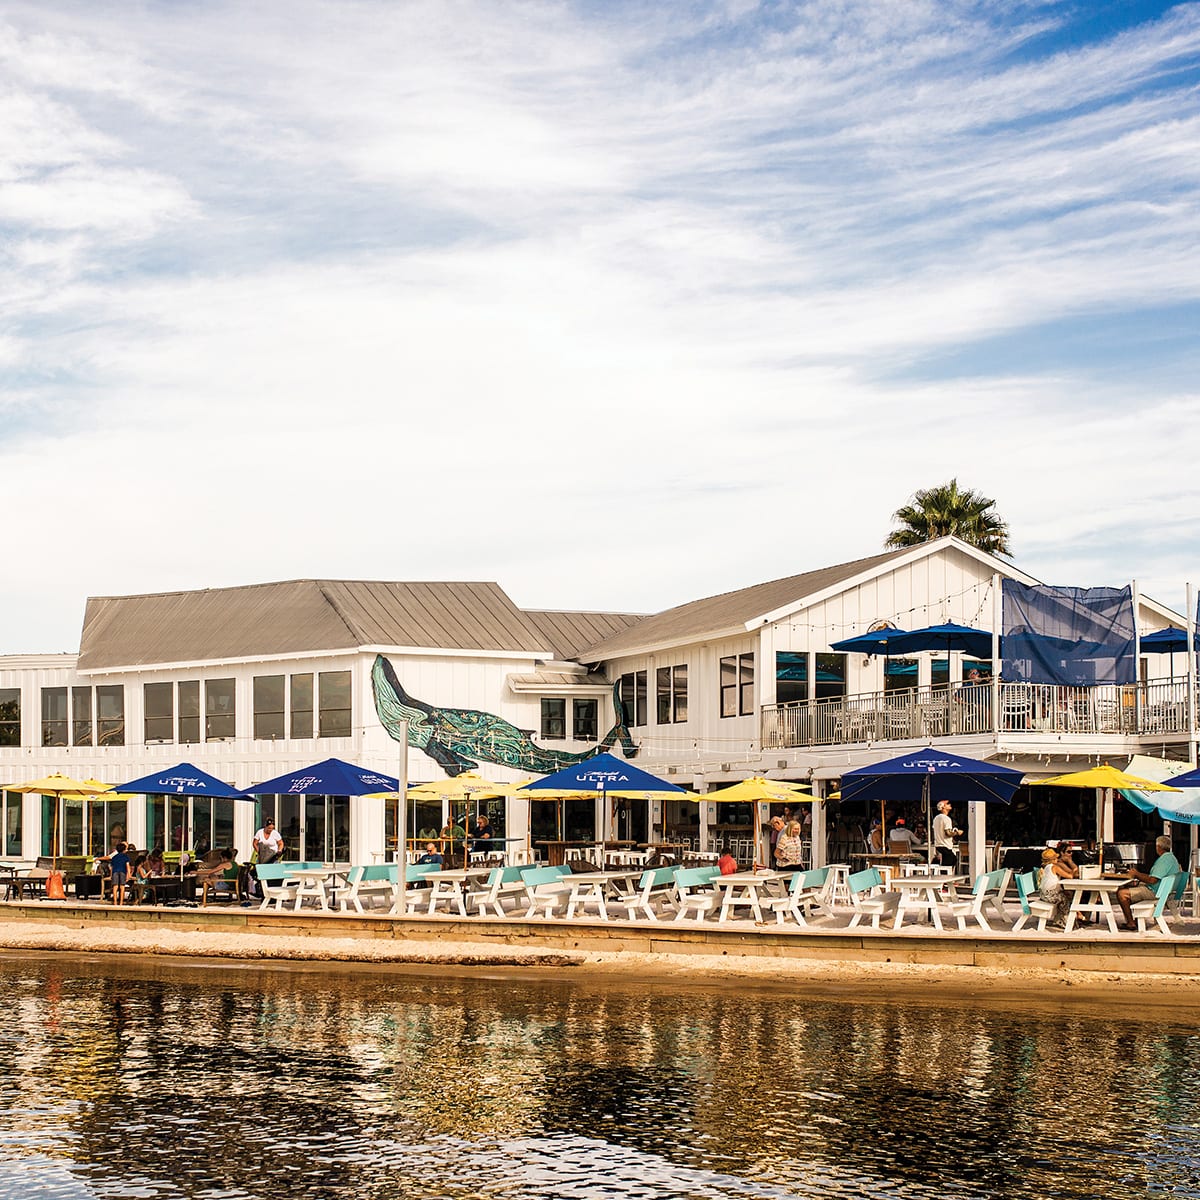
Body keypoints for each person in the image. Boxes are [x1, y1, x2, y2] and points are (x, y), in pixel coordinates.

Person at [1116, 835, 1182, 930]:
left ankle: (1131, 922)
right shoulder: (1171, 858)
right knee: (1129, 888)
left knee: (1122, 893)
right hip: (1164, 891)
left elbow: (1152, 880)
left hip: (1156, 892)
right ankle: (1134, 920)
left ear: (1158, 847)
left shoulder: (1164, 860)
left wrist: (1136, 874)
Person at [1037, 847, 1074, 929]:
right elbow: (1070, 876)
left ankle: (1060, 918)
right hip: (1050, 895)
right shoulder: (1054, 867)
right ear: (1053, 859)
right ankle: (1063, 919)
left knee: (1065, 894)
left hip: (1044, 894)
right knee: (1065, 899)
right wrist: (1072, 865)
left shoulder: (1046, 867)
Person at [932, 800, 962, 869]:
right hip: (945, 845)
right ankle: (945, 877)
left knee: (949, 861)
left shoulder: (936, 818)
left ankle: (944, 875)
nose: (950, 804)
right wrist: (957, 833)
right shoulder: (946, 819)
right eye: (947, 804)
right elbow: (948, 833)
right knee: (950, 862)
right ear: (943, 807)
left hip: (938, 844)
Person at [108, 841, 132, 906]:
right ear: (124, 850)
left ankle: (115, 902)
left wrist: (111, 875)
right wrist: (129, 875)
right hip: (122, 872)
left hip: (115, 872)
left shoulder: (114, 857)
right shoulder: (125, 857)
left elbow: (112, 867)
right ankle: (121, 903)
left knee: (115, 887)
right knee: (122, 887)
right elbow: (127, 866)